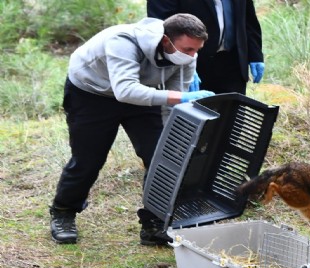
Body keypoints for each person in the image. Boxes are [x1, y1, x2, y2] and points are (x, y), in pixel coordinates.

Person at [49, 14, 215, 245]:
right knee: (89, 159)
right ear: (166, 41)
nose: (191, 56)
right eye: (187, 50)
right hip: (92, 93)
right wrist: (184, 97)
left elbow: (174, 102)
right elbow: (125, 91)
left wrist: (170, 140)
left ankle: (155, 222)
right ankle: (63, 211)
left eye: (196, 50)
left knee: (161, 157)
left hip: (143, 92)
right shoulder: (123, 41)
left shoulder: (187, 56)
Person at [147, 0, 265, 95]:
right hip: (192, 62)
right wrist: (181, 65)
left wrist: (255, 55)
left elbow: (248, 18)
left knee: (231, 118)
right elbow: (161, 24)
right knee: (192, 118)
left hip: (232, 62)